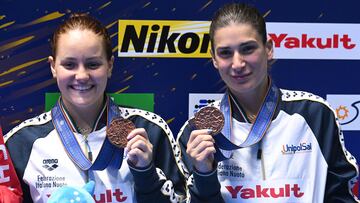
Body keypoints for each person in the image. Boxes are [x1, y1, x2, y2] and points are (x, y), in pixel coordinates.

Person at [177, 3, 359, 203]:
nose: (238, 64)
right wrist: (204, 174)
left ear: (269, 49)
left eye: (247, 49)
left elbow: (342, 196)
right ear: (214, 59)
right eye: (225, 53)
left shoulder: (315, 115)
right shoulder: (197, 131)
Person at [4, 13, 186, 203]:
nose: (81, 75)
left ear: (109, 65)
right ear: (53, 67)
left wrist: (146, 173)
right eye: (69, 64)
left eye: (92, 64)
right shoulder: (21, 143)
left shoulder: (149, 130)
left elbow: (182, 199)